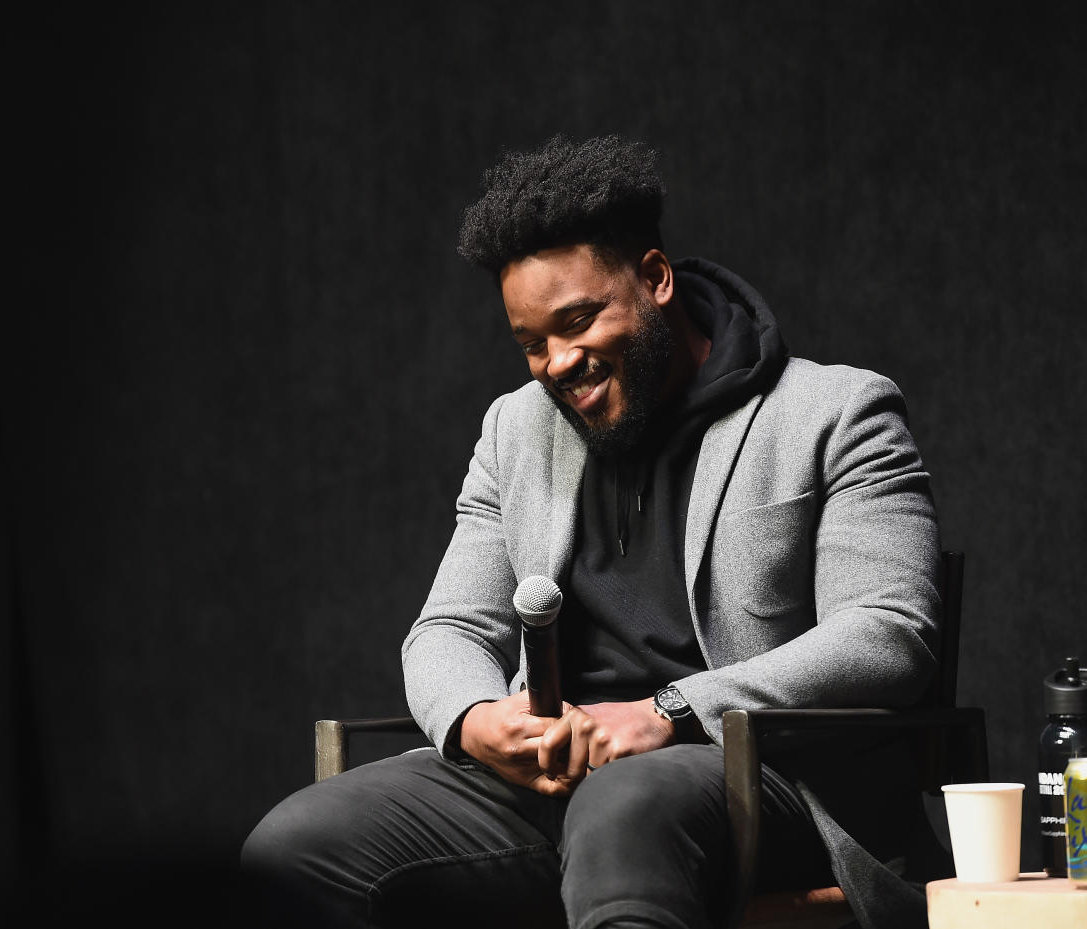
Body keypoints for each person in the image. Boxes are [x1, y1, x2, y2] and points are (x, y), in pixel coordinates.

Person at [242, 135, 948, 929]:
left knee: (623, 805)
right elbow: (448, 627)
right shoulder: (515, 429)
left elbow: (888, 633)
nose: (555, 362)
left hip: (757, 779)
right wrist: (479, 719)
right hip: (553, 784)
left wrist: (670, 709)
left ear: (652, 278)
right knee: (295, 845)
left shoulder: (834, 413)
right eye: (531, 342)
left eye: (576, 321)